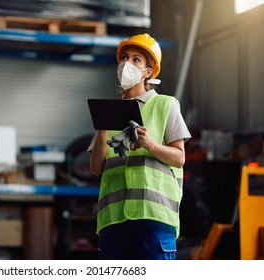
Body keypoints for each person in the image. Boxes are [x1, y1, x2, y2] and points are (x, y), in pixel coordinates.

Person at [88, 33, 191, 260]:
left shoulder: (165, 105)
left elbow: (179, 158)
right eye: (124, 57)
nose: (127, 63)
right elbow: (96, 168)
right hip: (113, 219)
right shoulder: (108, 112)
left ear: (149, 72)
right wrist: (102, 130)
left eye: (136, 59)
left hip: (154, 215)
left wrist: (150, 144)